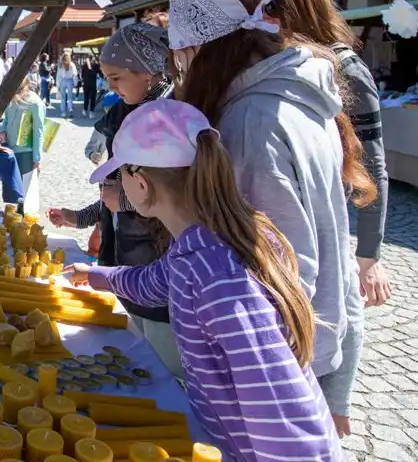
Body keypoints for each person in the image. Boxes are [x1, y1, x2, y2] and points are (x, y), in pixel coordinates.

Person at [167, 0, 375, 438]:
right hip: (312, 347)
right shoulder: (301, 98)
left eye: (184, 56)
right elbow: (332, 248)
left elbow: (275, 274)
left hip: (276, 368)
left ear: (206, 49)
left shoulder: (249, 125)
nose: (181, 71)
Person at [66, 99, 341, 462]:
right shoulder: (200, 248)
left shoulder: (218, 279)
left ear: (141, 183)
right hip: (227, 438)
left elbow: (279, 408)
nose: (115, 187)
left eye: (119, 176)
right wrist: (98, 276)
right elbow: (154, 283)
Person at [255, 0, 392, 307]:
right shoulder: (273, 62)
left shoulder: (347, 69)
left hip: (329, 225)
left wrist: (368, 257)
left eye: (269, 6)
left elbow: (373, 167)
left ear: (295, 7)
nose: (261, 17)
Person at [51, 22, 181, 376]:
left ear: (149, 72)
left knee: (158, 364)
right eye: (106, 76)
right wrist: (79, 218)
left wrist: (123, 202)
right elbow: (109, 196)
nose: (108, 84)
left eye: (117, 76)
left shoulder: (168, 121)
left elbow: (170, 197)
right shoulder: (124, 111)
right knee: (131, 346)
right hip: (126, 259)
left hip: (155, 266)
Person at [0, 78, 45, 211]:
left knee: (26, 193)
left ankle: (24, 223)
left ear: (24, 89)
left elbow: (38, 132)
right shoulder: (12, 100)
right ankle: (15, 219)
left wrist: (36, 159)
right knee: (14, 191)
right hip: (11, 150)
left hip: (27, 152)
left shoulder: (35, 103)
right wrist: (3, 132)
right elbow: (6, 120)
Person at [55, 52, 78, 118]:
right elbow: (75, 74)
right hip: (70, 80)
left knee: (63, 98)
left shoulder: (60, 65)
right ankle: (70, 110)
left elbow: (58, 75)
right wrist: (75, 83)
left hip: (63, 81)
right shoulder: (72, 64)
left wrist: (58, 85)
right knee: (70, 97)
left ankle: (63, 112)